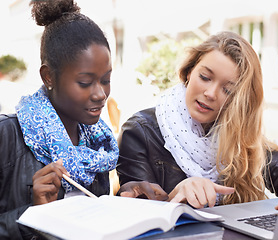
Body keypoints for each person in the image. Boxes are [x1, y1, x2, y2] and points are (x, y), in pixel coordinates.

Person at [0, 1, 166, 239]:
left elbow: (86, 217)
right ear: (49, 77)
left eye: (106, 79)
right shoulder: (7, 136)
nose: (100, 94)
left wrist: (122, 201)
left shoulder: (97, 144)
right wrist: (34, 215)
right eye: (85, 83)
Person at [117, 31, 278, 209]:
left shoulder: (241, 137)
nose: (210, 93)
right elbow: (137, 216)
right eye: (205, 78)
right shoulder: (139, 132)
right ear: (189, 72)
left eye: (228, 90)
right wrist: (174, 197)